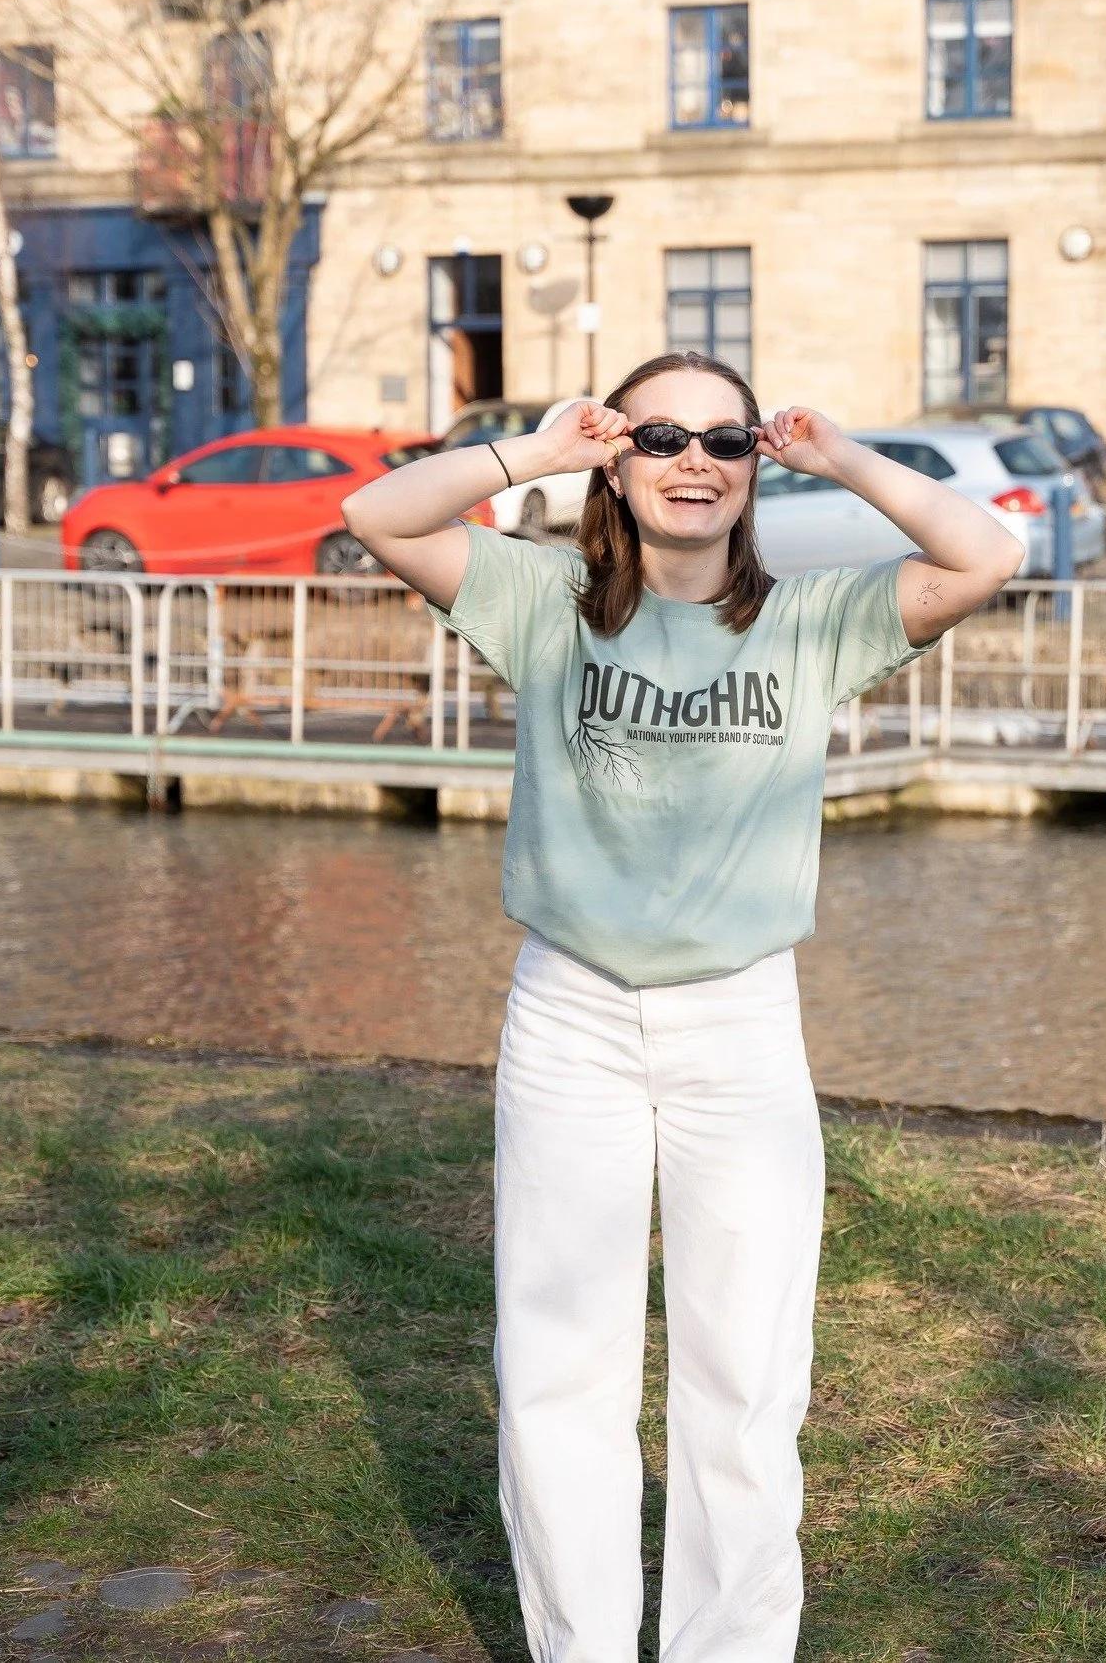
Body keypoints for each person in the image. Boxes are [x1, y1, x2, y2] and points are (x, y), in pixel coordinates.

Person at [341, 351, 1023, 1663]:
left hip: (741, 1027)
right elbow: (381, 516)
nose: (694, 458)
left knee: (747, 1375)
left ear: (758, 462)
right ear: (619, 456)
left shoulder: (815, 624)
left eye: (725, 437)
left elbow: (982, 553)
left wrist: (847, 457)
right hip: (570, 1021)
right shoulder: (541, 604)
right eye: (660, 435)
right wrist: (534, 455)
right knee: (559, 1364)